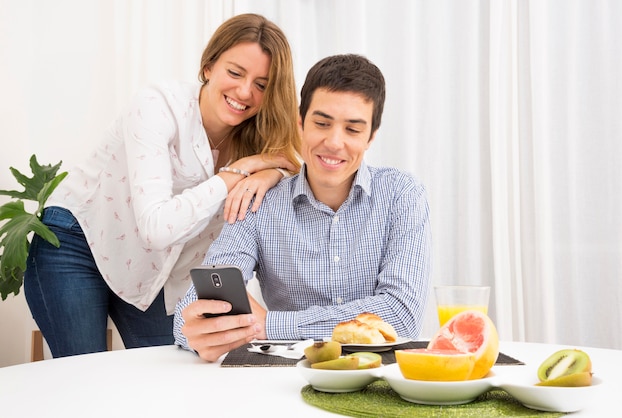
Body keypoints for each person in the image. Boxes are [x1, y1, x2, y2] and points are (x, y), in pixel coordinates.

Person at [23, 13, 301, 358]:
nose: (245, 91)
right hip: (79, 242)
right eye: (235, 72)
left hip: (154, 269)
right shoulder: (158, 105)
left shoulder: (261, 142)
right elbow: (157, 227)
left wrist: (268, 172)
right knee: (86, 376)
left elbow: (293, 167)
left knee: (172, 370)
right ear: (208, 66)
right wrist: (237, 172)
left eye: (261, 84)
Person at [174, 53, 432, 362]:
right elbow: (190, 310)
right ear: (300, 124)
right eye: (322, 123)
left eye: (352, 130)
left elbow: (401, 315)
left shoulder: (402, 195)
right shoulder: (260, 200)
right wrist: (196, 330)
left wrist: (271, 325)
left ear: (371, 137)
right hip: (287, 379)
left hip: (379, 378)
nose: (334, 142)